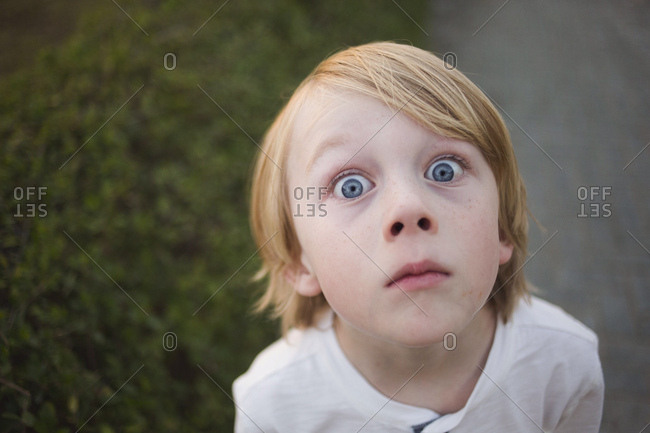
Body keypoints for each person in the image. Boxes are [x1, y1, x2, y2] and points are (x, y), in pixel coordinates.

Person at [233, 42, 604, 432]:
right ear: (296, 259)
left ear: (501, 228)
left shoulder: (565, 366)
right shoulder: (273, 405)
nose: (408, 208)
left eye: (444, 170)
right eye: (351, 186)